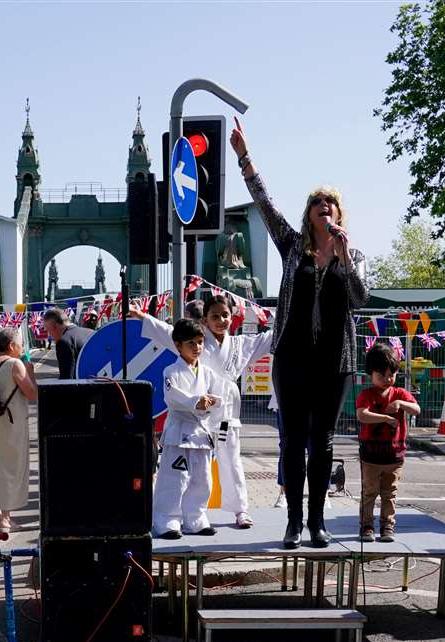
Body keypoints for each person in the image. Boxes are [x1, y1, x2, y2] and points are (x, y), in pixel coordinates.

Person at [232, 117, 368, 550]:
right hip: (292, 356)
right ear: (309, 214)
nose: (325, 209)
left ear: (339, 216)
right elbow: (266, 204)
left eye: (331, 205)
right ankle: (292, 521)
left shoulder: (354, 254)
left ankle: (317, 522)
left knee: (322, 440)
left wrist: (344, 259)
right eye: (318, 204)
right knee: (292, 439)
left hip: (334, 361)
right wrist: (244, 158)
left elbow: (360, 299)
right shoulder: (292, 246)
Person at [129, 294, 271, 528]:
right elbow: (168, 332)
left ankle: (240, 510)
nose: (221, 320)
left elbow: (266, 339)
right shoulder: (196, 340)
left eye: (225, 315)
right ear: (205, 319)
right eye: (214, 316)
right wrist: (143, 316)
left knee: (231, 460)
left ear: (232, 317)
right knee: (192, 471)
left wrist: (290, 318)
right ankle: (183, 515)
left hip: (224, 413)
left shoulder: (239, 344)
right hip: (197, 416)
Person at [154, 319, 230, 540]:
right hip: (179, 432)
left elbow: (220, 398)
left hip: (201, 432)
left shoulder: (207, 372)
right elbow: (173, 397)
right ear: (178, 345)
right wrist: (196, 401)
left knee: (202, 478)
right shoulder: (171, 371)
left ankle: (195, 518)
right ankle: (166, 520)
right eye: (191, 343)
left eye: (200, 342)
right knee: (174, 478)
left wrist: (211, 402)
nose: (197, 348)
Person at [354, 343, 421, 542]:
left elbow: (416, 409)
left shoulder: (399, 394)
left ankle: (387, 526)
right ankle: (367, 526)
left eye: (391, 374)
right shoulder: (366, 394)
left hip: (394, 455)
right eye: (381, 375)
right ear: (370, 374)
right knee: (369, 492)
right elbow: (362, 415)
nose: (387, 379)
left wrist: (401, 404)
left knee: (389, 493)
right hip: (371, 455)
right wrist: (384, 418)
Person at [0, 329, 38, 533]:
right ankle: (5, 518)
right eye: (20, 344)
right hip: (11, 423)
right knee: (11, 469)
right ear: (12, 346)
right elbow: (31, 393)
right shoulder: (15, 364)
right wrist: (30, 372)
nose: (22, 348)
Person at [42, 306, 94, 380]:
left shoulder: (64, 342)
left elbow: (66, 380)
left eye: (47, 329)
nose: (49, 334)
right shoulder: (91, 332)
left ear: (53, 325)